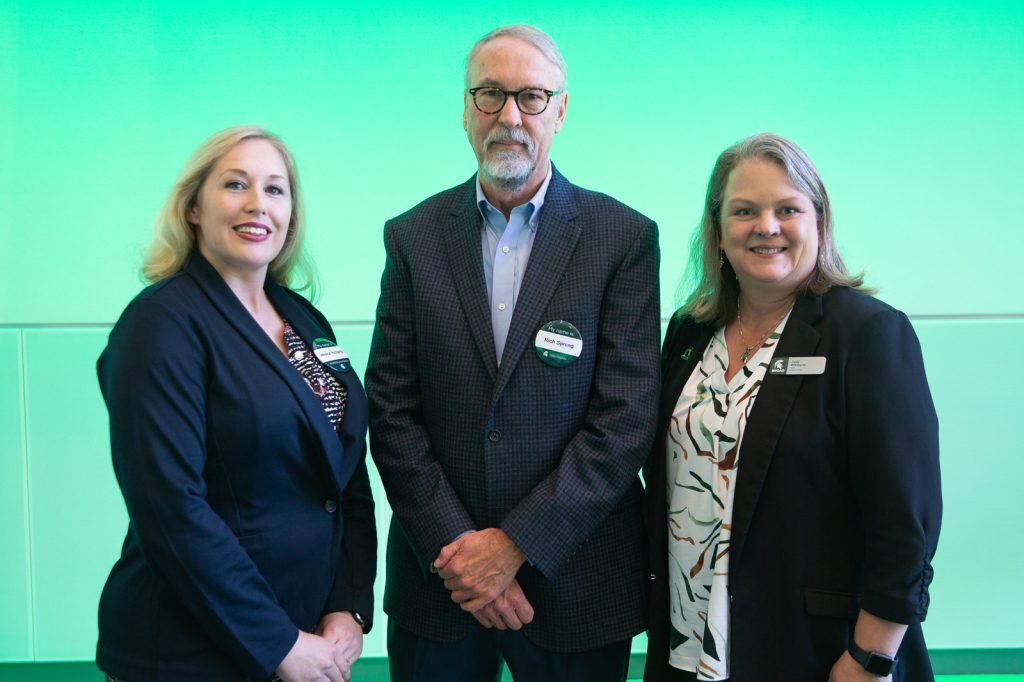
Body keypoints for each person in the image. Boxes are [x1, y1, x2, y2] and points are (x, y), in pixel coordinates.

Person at [365, 24, 660, 682]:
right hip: (441, 583)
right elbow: (391, 408)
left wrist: (517, 546)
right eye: (489, 94)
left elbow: (625, 418)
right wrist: (465, 555)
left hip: (575, 584)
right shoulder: (412, 237)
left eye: (530, 97)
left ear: (561, 110)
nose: (509, 116)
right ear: (465, 108)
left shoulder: (622, 239)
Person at [644, 132, 942, 682]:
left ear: (818, 222)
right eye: (745, 211)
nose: (767, 226)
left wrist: (870, 659)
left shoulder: (868, 335)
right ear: (717, 230)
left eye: (788, 209)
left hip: (819, 653)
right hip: (688, 648)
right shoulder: (689, 331)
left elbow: (906, 525)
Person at [95, 125, 376, 682]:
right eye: (234, 184)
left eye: (275, 189)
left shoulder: (303, 320)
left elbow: (343, 477)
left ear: (291, 215)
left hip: (308, 638)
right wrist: (278, 645)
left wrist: (346, 604)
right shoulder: (161, 326)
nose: (257, 204)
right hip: (192, 654)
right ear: (194, 207)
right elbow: (172, 511)